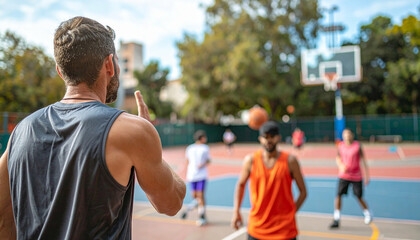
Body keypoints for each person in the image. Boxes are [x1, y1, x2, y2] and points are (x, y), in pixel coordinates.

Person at [0, 16, 186, 239]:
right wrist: (148, 140)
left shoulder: (20, 132)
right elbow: (171, 203)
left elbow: (3, 218)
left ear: (60, 71)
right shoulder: (132, 131)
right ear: (109, 64)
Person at [231, 121, 307, 240]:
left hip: (285, 231)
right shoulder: (251, 160)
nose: (268, 140)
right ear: (260, 139)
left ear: (278, 138)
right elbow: (240, 185)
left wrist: (291, 212)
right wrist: (236, 211)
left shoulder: (290, 161)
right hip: (257, 229)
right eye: (265, 137)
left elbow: (303, 192)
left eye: (272, 137)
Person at [330, 128, 372, 228]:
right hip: (344, 175)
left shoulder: (357, 146)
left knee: (358, 196)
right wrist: (341, 166)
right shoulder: (341, 146)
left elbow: (364, 161)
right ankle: (337, 218)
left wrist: (367, 175)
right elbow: (338, 158)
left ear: (352, 135)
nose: (347, 136)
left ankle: (368, 213)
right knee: (338, 195)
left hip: (356, 176)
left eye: (348, 134)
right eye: (345, 134)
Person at [181, 130, 211, 226]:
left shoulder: (205, 148)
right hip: (192, 176)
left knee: (200, 196)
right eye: (205, 137)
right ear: (202, 138)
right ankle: (193, 208)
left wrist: (203, 164)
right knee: (195, 196)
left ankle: (202, 216)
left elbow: (208, 160)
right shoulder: (190, 148)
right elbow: (187, 161)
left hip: (201, 175)